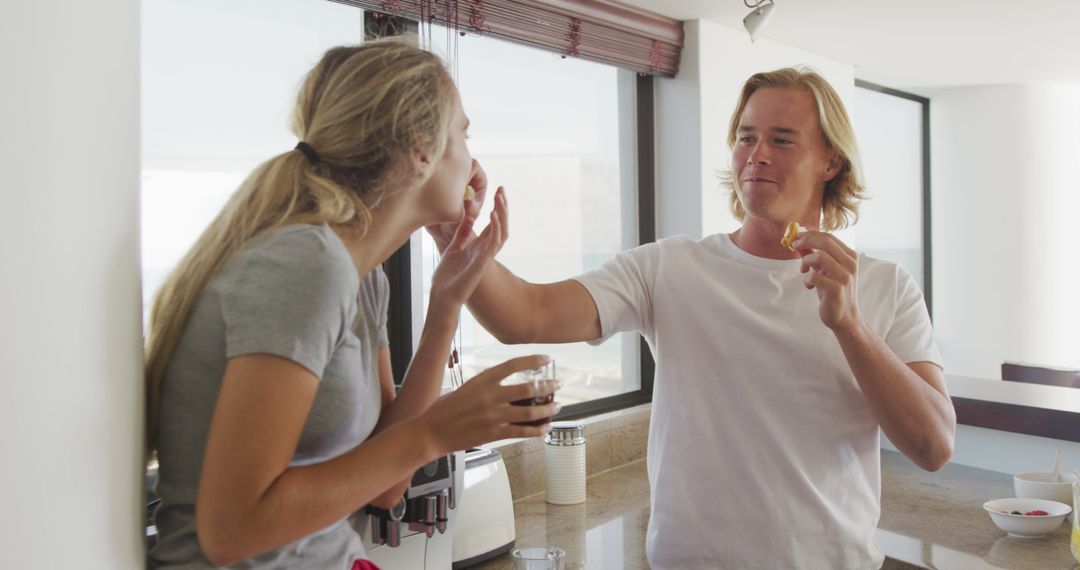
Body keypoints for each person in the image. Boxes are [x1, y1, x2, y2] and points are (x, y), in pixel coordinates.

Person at [426, 67, 956, 569]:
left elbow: (932, 447)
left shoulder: (885, 287)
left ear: (831, 162)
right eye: (746, 137)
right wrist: (455, 232)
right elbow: (526, 316)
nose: (757, 155)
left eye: (783, 139)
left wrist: (850, 325)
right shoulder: (669, 268)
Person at [144, 39, 559, 569]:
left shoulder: (361, 279)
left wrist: (448, 301)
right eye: (463, 136)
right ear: (420, 151)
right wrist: (438, 429)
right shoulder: (303, 264)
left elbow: (386, 487)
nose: (473, 161)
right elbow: (232, 530)